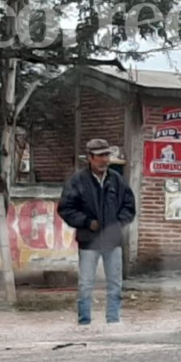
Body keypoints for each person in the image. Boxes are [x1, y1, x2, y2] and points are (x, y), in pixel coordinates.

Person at [58, 139, 136, 325]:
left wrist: (117, 224)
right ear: (90, 158)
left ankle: (113, 321)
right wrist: (86, 222)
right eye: (100, 156)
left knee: (115, 284)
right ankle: (84, 322)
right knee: (85, 285)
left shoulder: (117, 181)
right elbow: (66, 208)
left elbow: (129, 207)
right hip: (88, 241)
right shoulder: (78, 182)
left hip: (113, 240)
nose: (105, 160)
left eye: (107, 155)